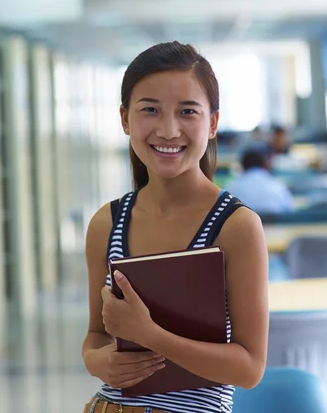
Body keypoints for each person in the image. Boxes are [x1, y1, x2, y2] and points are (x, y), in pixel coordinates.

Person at [82, 42, 269, 413]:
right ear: (125, 119)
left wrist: (150, 335)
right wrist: (100, 362)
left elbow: (249, 369)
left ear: (212, 123)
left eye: (187, 112)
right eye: (150, 110)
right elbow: (95, 337)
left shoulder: (236, 226)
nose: (168, 130)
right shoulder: (107, 222)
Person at [227, 145, 294, 214]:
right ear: (264, 165)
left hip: (243, 223)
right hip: (275, 223)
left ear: (242, 167)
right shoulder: (277, 185)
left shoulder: (232, 187)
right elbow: (289, 209)